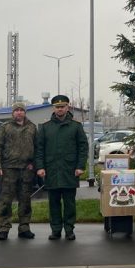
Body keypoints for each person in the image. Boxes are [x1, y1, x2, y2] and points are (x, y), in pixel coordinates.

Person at [35, 95, 87, 240]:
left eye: (62, 106)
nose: (60, 109)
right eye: (57, 107)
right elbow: (39, 149)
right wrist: (40, 167)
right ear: (53, 108)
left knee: (70, 203)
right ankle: (56, 230)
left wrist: (80, 166)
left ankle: (69, 229)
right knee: (54, 203)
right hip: (51, 170)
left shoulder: (76, 126)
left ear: (67, 107)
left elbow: (83, 147)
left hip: (70, 170)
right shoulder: (45, 127)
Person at [0, 102, 37, 241]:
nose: (19, 112)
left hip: (26, 170)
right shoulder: (5, 127)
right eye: (16, 110)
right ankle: (4, 228)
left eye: (21, 110)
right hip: (8, 169)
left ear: (25, 112)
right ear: (12, 113)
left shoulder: (32, 127)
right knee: (6, 201)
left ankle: (24, 228)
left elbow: (38, 147)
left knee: (25, 200)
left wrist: (34, 164)